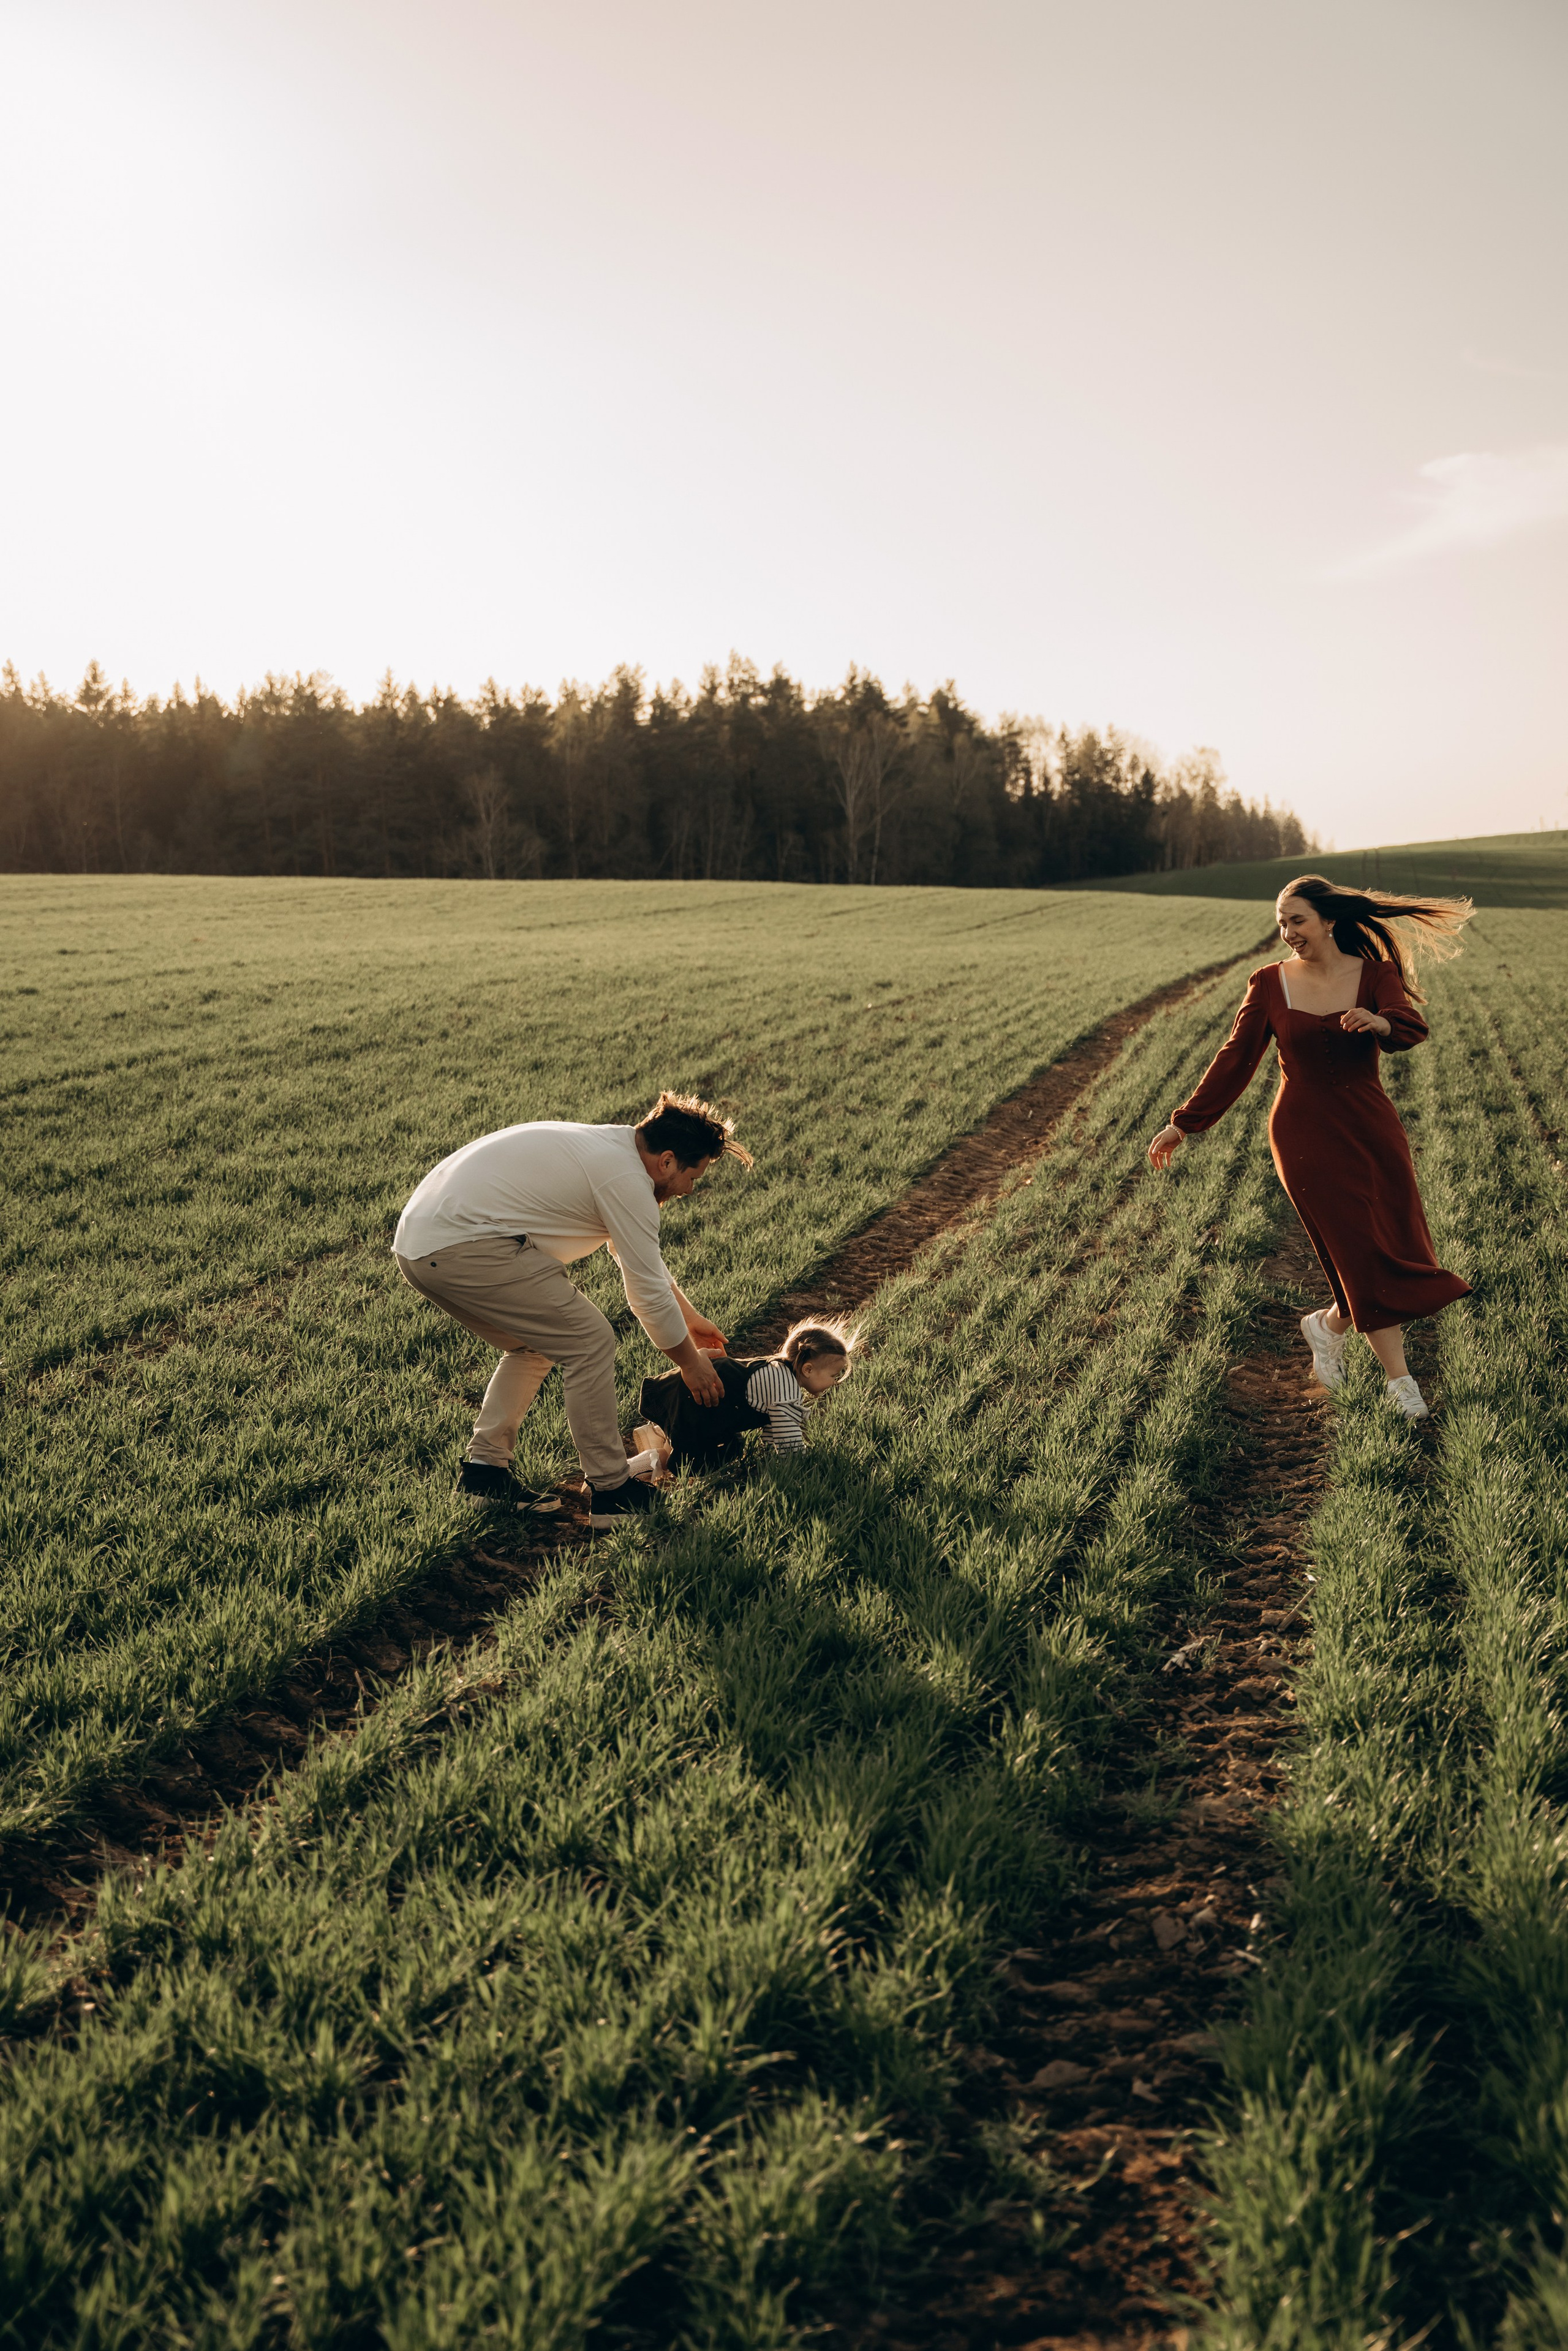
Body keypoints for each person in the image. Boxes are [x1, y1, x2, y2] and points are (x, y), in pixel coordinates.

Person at [1147, 874, 1474, 1420]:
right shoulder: (1270, 984)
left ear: (1328, 920)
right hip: (1303, 1134)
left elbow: (1412, 1026)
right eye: (1281, 923)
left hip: (1371, 1128)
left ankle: (1327, 1328)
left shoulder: (1376, 975)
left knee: (1386, 1243)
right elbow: (1236, 1058)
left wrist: (1380, 1021)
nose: (1288, 932)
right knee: (1358, 1249)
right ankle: (1402, 1386)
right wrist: (1184, 1123)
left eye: (1297, 920)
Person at [393, 1091, 751, 1528]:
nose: (689, 1190)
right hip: (464, 1244)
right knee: (590, 1342)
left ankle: (484, 1476)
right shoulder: (624, 1178)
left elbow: (634, 1255)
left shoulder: (612, 1151)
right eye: (693, 1177)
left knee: (535, 1346)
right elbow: (646, 1294)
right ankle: (612, 1492)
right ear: (668, 1161)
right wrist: (690, 1365)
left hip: (420, 1246)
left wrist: (689, 1318)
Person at [636, 1318, 858, 1469]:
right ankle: (650, 1461)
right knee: (701, 1460)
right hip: (695, 1403)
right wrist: (804, 1465)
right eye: (833, 1376)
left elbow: (776, 1430)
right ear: (808, 1369)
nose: (835, 1383)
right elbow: (789, 1442)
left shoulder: (778, 1371)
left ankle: (659, 1433)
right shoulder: (786, 1388)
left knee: (730, 1443)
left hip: (696, 1400)